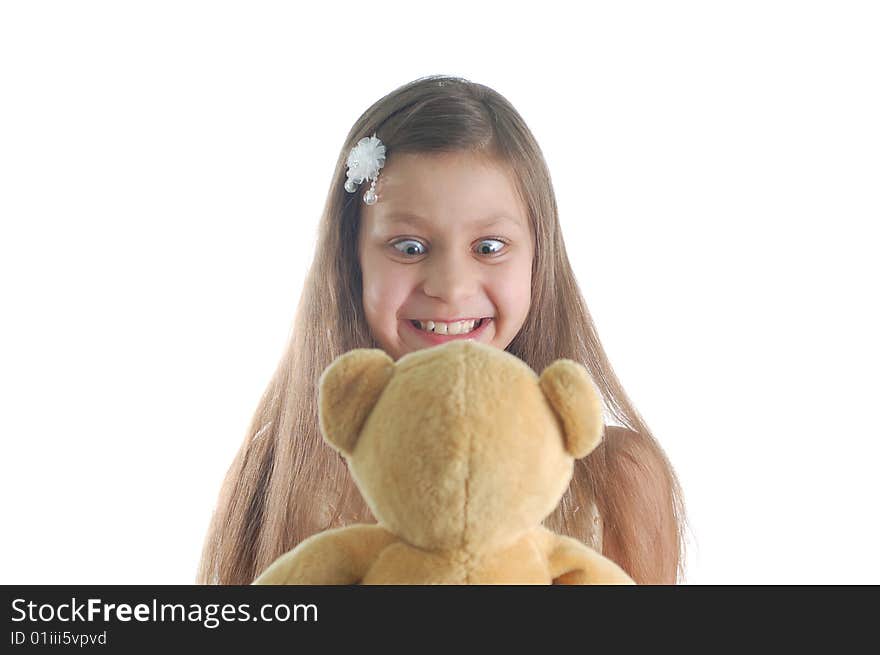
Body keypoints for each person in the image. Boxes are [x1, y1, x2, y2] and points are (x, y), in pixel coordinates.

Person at [197, 74, 690, 585]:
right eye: (410, 247)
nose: (452, 287)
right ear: (352, 262)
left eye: (490, 247)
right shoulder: (278, 474)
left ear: (537, 259)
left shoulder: (617, 480)